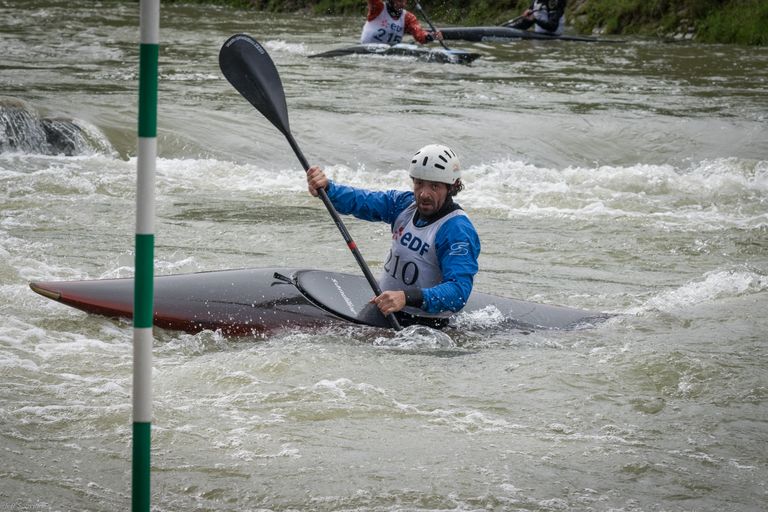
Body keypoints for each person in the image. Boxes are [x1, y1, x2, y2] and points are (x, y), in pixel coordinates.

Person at [306, 144, 480, 328]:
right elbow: (363, 201)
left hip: (426, 323)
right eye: (419, 183)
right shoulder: (404, 204)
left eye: (434, 186)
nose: (423, 194)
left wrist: (406, 297)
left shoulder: (457, 230)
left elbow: (458, 291)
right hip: (386, 308)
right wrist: (328, 189)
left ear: (451, 187)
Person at [360, 0, 444, 45]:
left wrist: (430, 36)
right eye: (400, 1)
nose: (403, 4)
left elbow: (419, 35)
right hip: (367, 49)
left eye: (404, 1)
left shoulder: (408, 18)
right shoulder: (378, 7)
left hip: (390, 55)